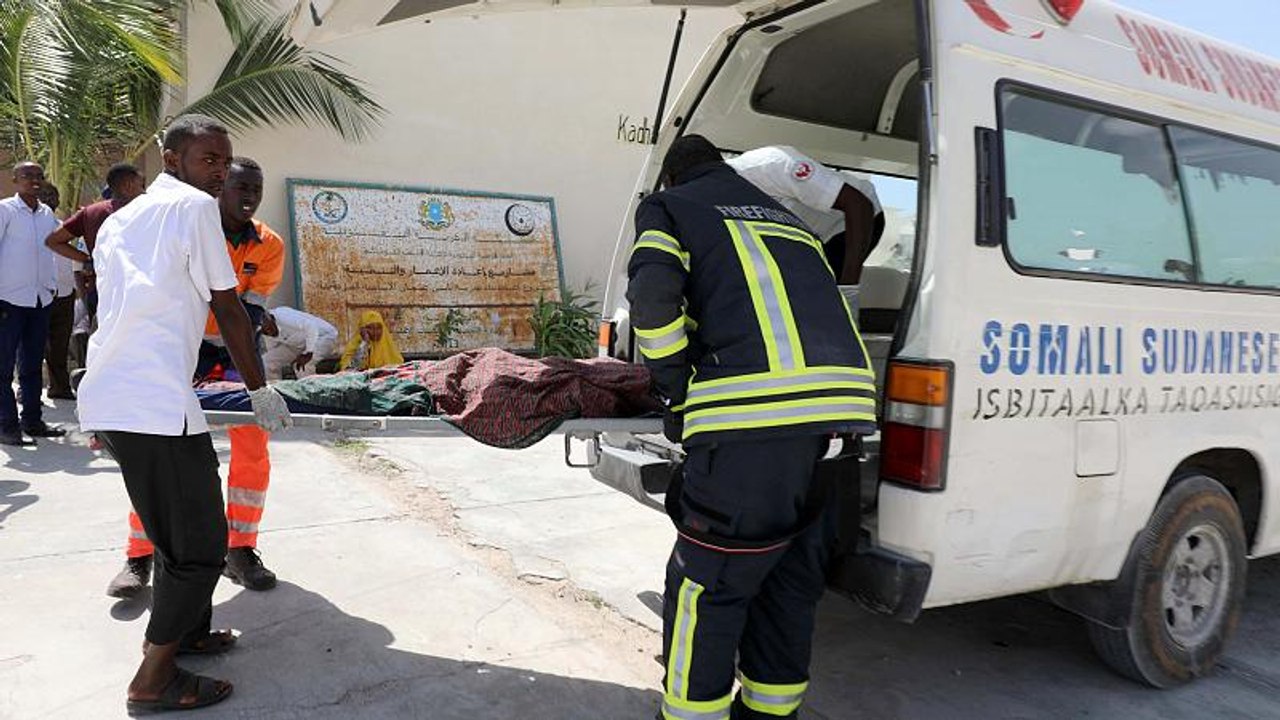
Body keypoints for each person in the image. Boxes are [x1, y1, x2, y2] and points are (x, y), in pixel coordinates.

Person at [627, 135, 877, 720]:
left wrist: (676, 389)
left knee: (708, 583)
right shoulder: (789, 221)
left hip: (752, 425)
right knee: (789, 580)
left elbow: (654, 304)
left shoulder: (670, 206)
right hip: (839, 426)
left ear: (671, 178)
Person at [77, 114, 292, 713]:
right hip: (152, 402)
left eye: (224, 160)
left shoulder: (120, 220)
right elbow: (228, 307)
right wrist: (259, 390)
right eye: (208, 160)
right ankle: (154, 678)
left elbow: (114, 307)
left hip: (117, 395)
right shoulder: (196, 209)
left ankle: (191, 632)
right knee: (199, 546)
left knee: (182, 530)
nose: (219, 173)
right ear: (172, 160)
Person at [107, 156, 286, 598]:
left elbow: (249, 312)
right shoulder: (187, 228)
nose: (249, 197)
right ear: (220, 189)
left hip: (237, 348)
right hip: (181, 348)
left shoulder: (269, 244)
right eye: (240, 187)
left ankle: (240, 549)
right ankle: (140, 553)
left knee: (253, 443)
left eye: (256, 190)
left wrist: (254, 385)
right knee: (158, 445)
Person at [727, 145, 884, 314]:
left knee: (824, 306)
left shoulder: (773, 163)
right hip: (809, 235)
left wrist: (848, 288)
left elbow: (859, 204)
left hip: (854, 221)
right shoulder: (716, 197)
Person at [0, 162, 64, 445]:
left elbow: (50, 250)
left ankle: (33, 421)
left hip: (40, 300)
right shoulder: (5, 210)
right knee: (3, 368)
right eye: (27, 176)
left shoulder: (47, 213)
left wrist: (51, 286)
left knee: (32, 365)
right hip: (8, 300)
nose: (34, 180)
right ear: (15, 179)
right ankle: (6, 426)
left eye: (39, 176)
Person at [46, 163, 147, 321]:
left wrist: (87, 259)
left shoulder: (91, 212)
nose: (145, 192)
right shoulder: (147, 211)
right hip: (140, 291)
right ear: (128, 186)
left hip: (101, 289)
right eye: (142, 186)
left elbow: (54, 241)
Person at [36, 183, 76, 400]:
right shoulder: (28, 228)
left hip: (65, 294)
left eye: (52, 195)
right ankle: (29, 390)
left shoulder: (65, 227)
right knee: (33, 345)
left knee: (60, 345)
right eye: (44, 195)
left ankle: (59, 387)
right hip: (38, 294)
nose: (49, 198)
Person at [261, 306, 340, 379]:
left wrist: (308, 353)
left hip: (322, 337)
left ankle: (311, 388)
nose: (267, 331)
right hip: (297, 344)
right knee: (266, 362)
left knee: (302, 366)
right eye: (264, 330)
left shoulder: (283, 316)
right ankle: (275, 388)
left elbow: (310, 326)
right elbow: (273, 350)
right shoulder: (263, 331)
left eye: (268, 327)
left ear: (270, 318)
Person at [339, 310, 404, 371]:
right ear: (362, 330)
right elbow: (350, 370)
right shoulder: (354, 346)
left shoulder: (389, 348)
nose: (375, 331)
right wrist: (364, 343)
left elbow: (399, 370)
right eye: (370, 327)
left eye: (379, 327)